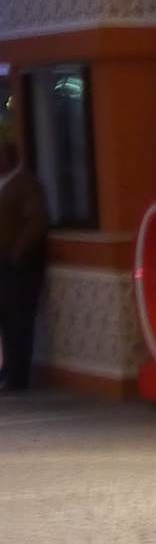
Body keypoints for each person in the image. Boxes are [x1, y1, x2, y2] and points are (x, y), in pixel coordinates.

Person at [0, 137, 50, 392]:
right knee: (6, 320)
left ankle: (18, 377)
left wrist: (18, 251)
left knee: (18, 319)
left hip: (19, 266)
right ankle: (8, 368)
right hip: (4, 264)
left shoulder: (26, 185)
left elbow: (37, 221)